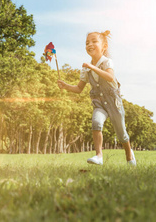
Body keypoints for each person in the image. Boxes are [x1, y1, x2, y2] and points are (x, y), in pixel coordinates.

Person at [57, 30, 136, 166]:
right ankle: (99, 155)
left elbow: (110, 77)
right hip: (99, 104)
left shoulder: (107, 62)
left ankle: (129, 154)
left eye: (94, 41)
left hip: (113, 103)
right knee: (96, 122)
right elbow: (79, 88)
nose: (90, 44)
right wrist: (65, 86)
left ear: (104, 46)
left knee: (121, 133)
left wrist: (92, 67)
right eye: (87, 43)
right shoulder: (86, 69)